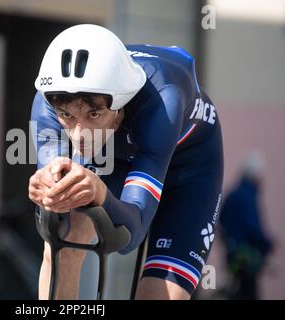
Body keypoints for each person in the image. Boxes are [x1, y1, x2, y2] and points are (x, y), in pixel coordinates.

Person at [28, 24, 224, 300]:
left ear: (120, 105)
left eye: (93, 115)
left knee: (158, 293)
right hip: (117, 150)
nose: (78, 133)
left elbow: (129, 235)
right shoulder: (47, 101)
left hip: (189, 164)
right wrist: (50, 200)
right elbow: (54, 220)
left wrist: (99, 193)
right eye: (67, 116)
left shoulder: (162, 100)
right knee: (63, 239)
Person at [220, 153, 273, 299]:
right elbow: (252, 227)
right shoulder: (247, 196)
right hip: (245, 258)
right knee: (248, 293)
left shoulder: (233, 193)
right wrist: (268, 244)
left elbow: (222, 220)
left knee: (235, 291)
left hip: (233, 255)